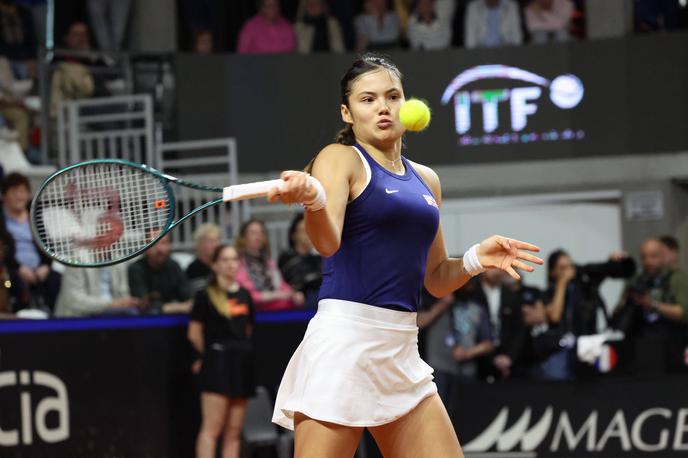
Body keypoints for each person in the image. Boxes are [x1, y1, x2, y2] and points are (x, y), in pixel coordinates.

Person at [266, 53, 542, 457]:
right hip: (344, 345)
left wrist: (476, 260)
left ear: (405, 104)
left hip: (401, 351)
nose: (382, 106)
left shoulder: (427, 179)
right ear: (347, 112)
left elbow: (435, 277)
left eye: (392, 96)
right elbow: (327, 243)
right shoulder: (340, 158)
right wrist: (313, 201)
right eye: (367, 99)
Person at [188, 244, 256, 458]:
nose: (230, 264)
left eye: (234, 259)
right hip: (217, 364)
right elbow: (194, 333)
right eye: (225, 259)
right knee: (212, 429)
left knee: (234, 432)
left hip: (241, 364)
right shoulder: (205, 294)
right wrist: (208, 354)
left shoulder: (245, 294)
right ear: (215, 265)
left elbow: (247, 329)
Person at [612, 238, 688, 374]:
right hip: (641, 345)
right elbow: (616, 316)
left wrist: (652, 304)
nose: (648, 261)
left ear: (663, 256)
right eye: (644, 257)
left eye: (653, 256)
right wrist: (629, 302)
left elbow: (683, 313)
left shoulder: (677, 278)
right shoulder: (636, 281)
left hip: (672, 345)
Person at [0, 172, 61, 311]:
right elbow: (3, 251)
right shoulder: (1, 220)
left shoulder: (34, 216)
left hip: (39, 269)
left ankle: (51, 317)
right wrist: (19, 268)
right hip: (12, 271)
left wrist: (45, 266)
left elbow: (47, 245)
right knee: (12, 281)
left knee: (55, 278)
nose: (19, 196)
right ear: (4, 196)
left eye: (23, 191)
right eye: (14, 191)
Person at [469, 269, 529, 380]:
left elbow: (519, 329)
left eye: (498, 267)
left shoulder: (511, 296)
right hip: (478, 360)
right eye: (491, 266)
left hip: (507, 360)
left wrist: (510, 357)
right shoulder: (472, 294)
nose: (495, 271)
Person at [235, 219, 303, 311]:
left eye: (261, 233)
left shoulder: (268, 261)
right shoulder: (238, 262)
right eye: (253, 233)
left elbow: (281, 285)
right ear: (243, 237)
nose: (258, 236)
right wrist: (277, 295)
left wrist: (293, 294)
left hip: (277, 307)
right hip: (255, 311)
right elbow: (249, 295)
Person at [128, 233, 192, 314]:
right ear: (145, 247)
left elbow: (187, 298)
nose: (160, 249)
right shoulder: (135, 269)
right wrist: (177, 307)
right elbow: (142, 304)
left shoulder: (174, 266)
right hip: (146, 322)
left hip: (176, 321)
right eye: (154, 243)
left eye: (164, 243)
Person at [54, 264, 140, 317]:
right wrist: (112, 304)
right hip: (78, 319)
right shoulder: (76, 260)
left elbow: (123, 294)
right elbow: (75, 301)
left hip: (112, 315)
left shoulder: (119, 260)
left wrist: (129, 303)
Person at [278, 213, 322, 308]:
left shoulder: (319, 256)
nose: (308, 234)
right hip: (298, 299)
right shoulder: (287, 257)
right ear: (294, 235)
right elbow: (286, 283)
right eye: (303, 231)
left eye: (310, 230)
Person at [186, 223, 221, 295]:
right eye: (211, 241)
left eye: (216, 240)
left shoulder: (221, 264)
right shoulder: (193, 269)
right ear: (200, 244)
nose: (215, 245)